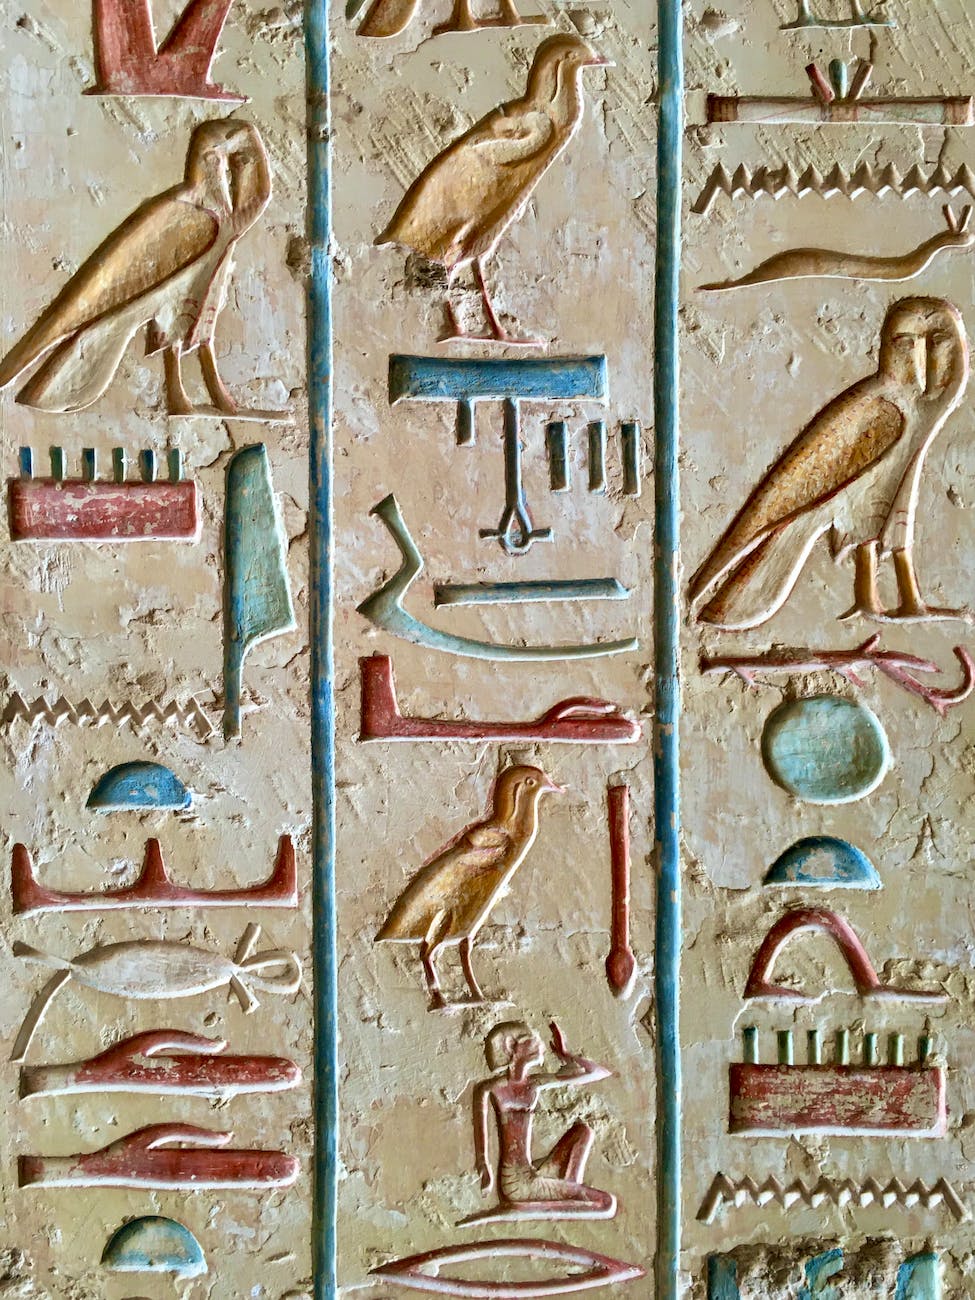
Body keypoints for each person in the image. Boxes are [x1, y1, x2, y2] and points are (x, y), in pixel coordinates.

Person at [470, 1020, 615, 1219]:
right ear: (513, 1047)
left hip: (533, 1172)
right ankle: (561, 1196)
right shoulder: (491, 1088)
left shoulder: (534, 1083)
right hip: (517, 1183)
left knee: (583, 1132)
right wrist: (484, 1166)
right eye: (531, 1040)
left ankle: (565, 1191)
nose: (539, 1043)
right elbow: (481, 1137)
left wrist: (567, 1056)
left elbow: (598, 1073)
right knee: (605, 1203)